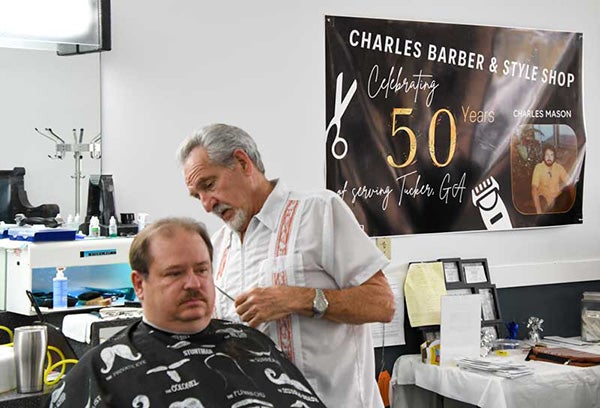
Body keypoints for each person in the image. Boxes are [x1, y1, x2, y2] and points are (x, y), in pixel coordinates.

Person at [177, 123, 395, 408]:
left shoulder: (319, 211)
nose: (206, 205)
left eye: (209, 185)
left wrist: (300, 299)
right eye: (197, 196)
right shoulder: (218, 246)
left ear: (243, 162)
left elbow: (382, 304)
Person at [48, 217, 327, 408]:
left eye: (201, 270)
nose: (193, 283)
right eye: (175, 273)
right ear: (138, 284)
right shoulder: (103, 368)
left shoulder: (252, 342)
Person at [531, 144, 570, 214]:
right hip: (544, 200)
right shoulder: (538, 168)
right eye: (547, 155)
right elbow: (534, 189)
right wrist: (538, 211)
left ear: (554, 157)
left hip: (557, 200)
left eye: (552, 155)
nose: (549, 157)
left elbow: (569, 182)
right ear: (543, 156)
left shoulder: (559, 167)